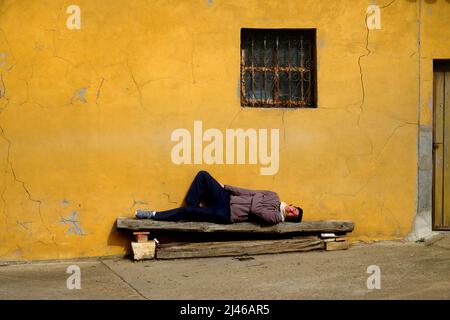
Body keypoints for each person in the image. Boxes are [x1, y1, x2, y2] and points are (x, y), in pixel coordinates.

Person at [135, 170, 303, 225]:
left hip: (226, 214)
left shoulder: (275, 218)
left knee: (188, 211)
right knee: (203, 175)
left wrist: (257, 196)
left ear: (289, 218)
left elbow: (255, 210)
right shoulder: (274, 196)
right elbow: (248, 192)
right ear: (293, 205)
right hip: (226, 198)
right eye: (294, 209)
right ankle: (190, 210)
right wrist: (226, 187)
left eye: (293, 215)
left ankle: (153, 215)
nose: (291, 211)